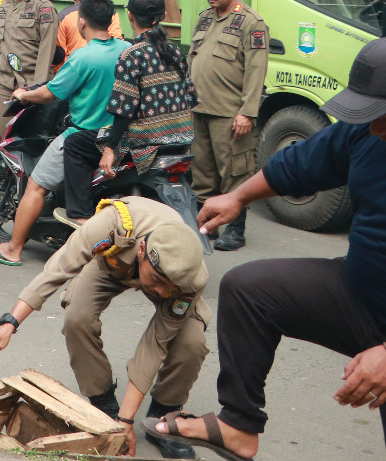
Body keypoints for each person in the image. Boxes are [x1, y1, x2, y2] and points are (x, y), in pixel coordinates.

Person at [152, 38, 386, 459]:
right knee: (250, 289)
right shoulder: (367, 133)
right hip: (364, 294)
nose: (370, 125)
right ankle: (238, 425)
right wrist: (238, 198)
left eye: (379, 114)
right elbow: (300, 165)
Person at [0, 196, 210, 460]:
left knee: (191, 342)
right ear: (142, 249)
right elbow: (58, 267)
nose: (159, 291)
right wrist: (11, 323)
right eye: (156, 280)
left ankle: (163, 414)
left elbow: (154, 344)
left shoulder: (190, 278)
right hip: (113, 266)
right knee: (78, 316)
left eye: (166, 285)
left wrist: (128, 419)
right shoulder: (112, 225)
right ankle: (103, 403)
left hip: (170, 283)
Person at [0, 0, 126, 267]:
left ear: (81, 22)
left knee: (35, 186)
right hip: (118, 136)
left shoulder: (83, 57)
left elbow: (50, 92)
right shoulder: (126, 49)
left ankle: (13, 249)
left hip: (83, 135)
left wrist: (24, 96)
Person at [64, 0, 198, 223]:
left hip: (145, 141)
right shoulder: (176, 51)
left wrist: (109, 150)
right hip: (181, 138)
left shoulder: (132, 55)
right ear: (163, 15)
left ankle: (80, 216)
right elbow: (191, 98)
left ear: (130, 17)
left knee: (75, 143)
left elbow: (123, 110)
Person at [186, 0, 268, 251]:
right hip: (200, 109)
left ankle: (235, 231)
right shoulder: (205, 18)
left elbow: (256, 72)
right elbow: (192, 61)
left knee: (234, 172)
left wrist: (247, 111)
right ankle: (207, 225)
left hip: (230, 113)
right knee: (203, 171)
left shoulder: (251, 23)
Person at [0, 0, 56, 162]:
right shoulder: (4, 7)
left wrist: (37, 89)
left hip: (31, 82)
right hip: (5, 83)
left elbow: (47, 49)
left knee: (29, 137)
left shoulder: (43, 8)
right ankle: (2, 177)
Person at [55, 0, 123, 67]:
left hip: (74, 73)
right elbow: (117, 42)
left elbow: (60, 56)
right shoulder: (109, 11)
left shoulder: (64, 16)